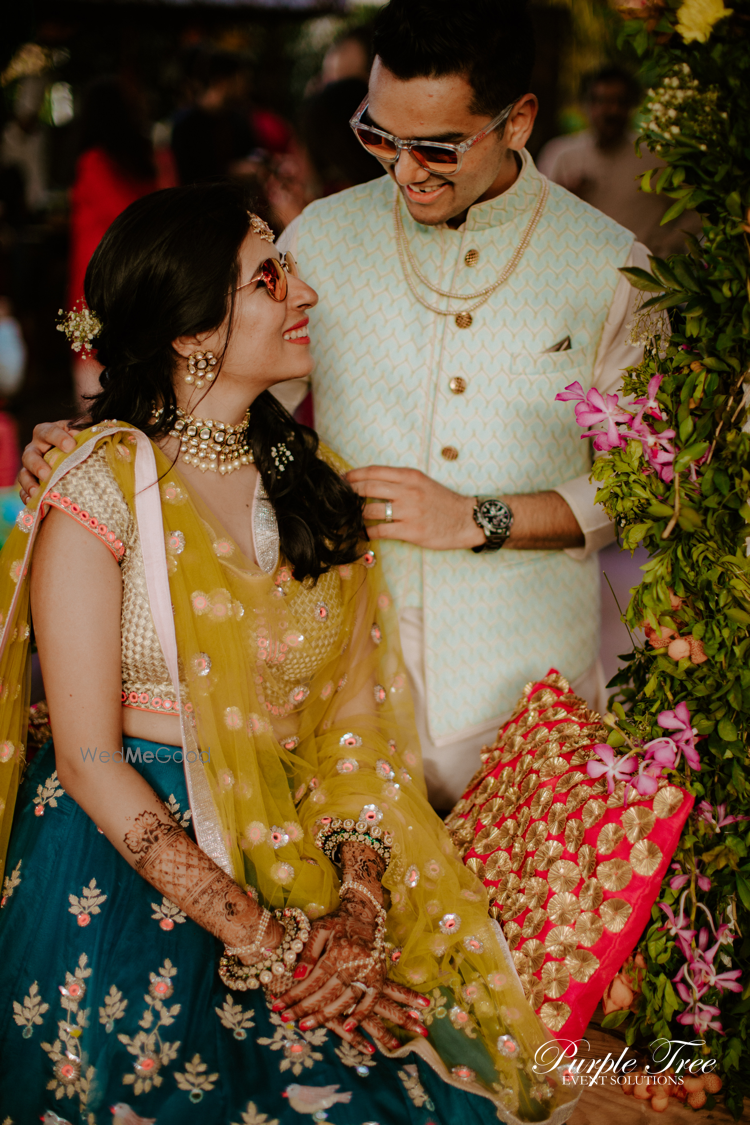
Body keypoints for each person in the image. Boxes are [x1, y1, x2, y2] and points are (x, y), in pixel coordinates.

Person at [0, 184, 575, 1123]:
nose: (304, 293)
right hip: (125, 861)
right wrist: (268, 941)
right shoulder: (100, 484)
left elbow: (353, 726)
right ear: (192, 331)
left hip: (296, 846)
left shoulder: (313, 491)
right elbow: (88, 757)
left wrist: (354, 909)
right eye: (270, 276)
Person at [19, 0, 649, 813]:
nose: (403, 168)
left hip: (532, 701)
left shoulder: (611, 266)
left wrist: (484, 517)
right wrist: (99, 441)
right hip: (341, 699)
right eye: (378, 134)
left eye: (437, 146)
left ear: (518, 121)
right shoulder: (319, 237)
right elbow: (212, 404)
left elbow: (641, 483)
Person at [537, 65, 700, 257]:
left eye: (620, 102)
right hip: (578, 276)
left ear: (631, 106)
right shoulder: (560, 154)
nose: (611, 111)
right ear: (587, 105)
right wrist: (562, 198)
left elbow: (697, 210)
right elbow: (534, 219)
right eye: (601, 101)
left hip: (640, 279)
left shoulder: (657, 157)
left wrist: (664, 248)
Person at [68, 76, 157, 403]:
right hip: (135, 276)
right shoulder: (140, 164)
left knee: (92, 378)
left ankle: (96, 448)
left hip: (95, 280)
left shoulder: (93, 162)